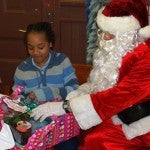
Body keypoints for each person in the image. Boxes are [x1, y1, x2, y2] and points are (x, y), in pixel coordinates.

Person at [31, 0, 150, 149]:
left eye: (111, 34)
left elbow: (119, 96)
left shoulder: (146, 56)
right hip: (116, 115)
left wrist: (66, 106)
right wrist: (80, 92)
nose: (104, 38)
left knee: (96, 141)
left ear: (132, 34)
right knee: (68, 133)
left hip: (139, 127)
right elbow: (100, 82)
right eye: (102, 31)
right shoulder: (120, 50)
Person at [13, 21, 79, 150]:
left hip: (62, 125)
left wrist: (45, 93)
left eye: (41, 47)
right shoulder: (22, 69)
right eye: (30, 48)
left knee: (70, 147)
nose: (36, 52)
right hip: (35, 126)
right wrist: (25, 101)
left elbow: (75, 89)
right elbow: (17, 99)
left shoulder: (62, 62)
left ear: (50, 44)